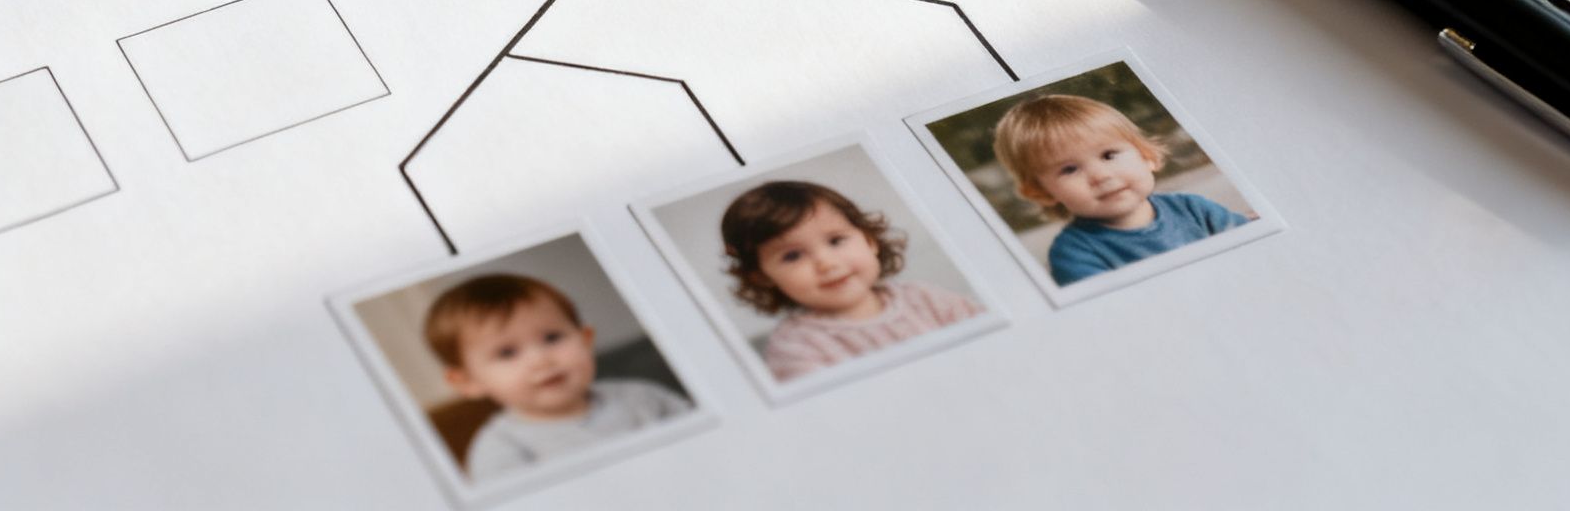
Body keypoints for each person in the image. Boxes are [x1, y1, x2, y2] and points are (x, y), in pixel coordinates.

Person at [424, 273, 689, 481]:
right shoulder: (501, 449)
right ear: (468, 382)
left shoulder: (643, 396)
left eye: (552, 338)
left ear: (585, 340)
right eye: (507, 353)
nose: (541, 360)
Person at [720, 180, 982, 382]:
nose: (826, 263)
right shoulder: (795, 347)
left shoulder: (926, 299)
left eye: (835, 241)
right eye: (792, 255)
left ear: (869, 241)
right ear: (763, 277)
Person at [992, 93, 1248, 287]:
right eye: (1070, 169)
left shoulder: (1194, 208)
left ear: (1147, 156)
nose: (1100, 176)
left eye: (1109, 155)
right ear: (1042, 193)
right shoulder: (1074, 254)